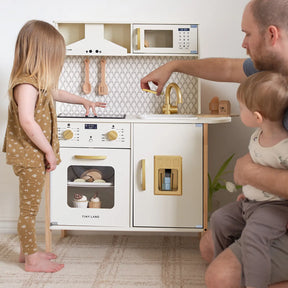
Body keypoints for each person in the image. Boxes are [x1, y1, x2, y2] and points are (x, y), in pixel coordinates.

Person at [141, 0, 288, 287]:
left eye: (247, 34)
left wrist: (248, 173)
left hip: (279, 209)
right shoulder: (273, 76)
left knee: (219, 277)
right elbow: (227, 67)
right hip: (267, 201)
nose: (243, 43)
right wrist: (174, 65)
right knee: (209, 244)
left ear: (272, 34)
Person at [2, 20, 106, 273]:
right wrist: (48, 150)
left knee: (31, 206)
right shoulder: (26, 85)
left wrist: (83, 100)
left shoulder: (36, 82)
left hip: (33, 156)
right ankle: (31, 259)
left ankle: (29, 252)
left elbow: (56, 93)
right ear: (43, 55)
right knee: (28, 210)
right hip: (29, 156)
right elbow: (27, 120)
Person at [211, 71, 288, 288]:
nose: (239, 110)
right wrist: (249, 191)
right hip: (251, 203)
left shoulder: (284, 148)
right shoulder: (257, 137)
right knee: (219, 219)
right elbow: (261, 173)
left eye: (242, 107)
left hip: (276, 208)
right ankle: (227, 265)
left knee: (255, 237)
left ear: (257, 116)